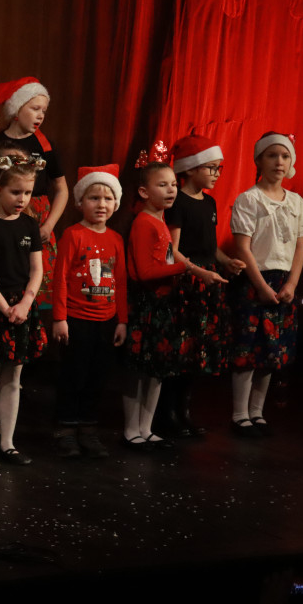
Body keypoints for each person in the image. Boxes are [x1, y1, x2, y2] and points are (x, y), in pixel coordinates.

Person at [158, 136, 244, 437]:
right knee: (179, 351)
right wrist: (197, 272)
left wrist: (226, 261)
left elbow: (210, 246)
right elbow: (173, 250)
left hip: (207, 280)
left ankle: (184, 412)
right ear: (191, 169)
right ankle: (166, 414)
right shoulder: (177, 202)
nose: (217, 174)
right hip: (187, 282)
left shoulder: (209, 202)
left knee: (197, 352)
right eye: (212, 168)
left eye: (219, 169)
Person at [228, 133, 303, 437]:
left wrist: (292, 284)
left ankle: (257, 412)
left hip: (283, 282)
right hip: (256, 280)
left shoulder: (297, 202)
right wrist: (260, 286)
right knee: (248, 351)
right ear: (259, 160)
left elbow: (299, 247)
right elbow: (244, 248)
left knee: (271, 352)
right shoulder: (249, 199)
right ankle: (239, 414)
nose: (279, 162)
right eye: (272, 155)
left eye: (285, 156)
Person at [0, 155, 47, 467]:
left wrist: (26, 303)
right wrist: (5, 307)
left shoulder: (30, 224)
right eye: (15, 192)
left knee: (14, 379)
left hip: (22, 308)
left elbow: (37, 270)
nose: (21, 199)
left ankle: (8, 442)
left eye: (27, 193)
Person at [51, 165, 127, 458]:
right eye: (94, 198)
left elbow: (120, 283)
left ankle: (89, 429)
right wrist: (60, 318)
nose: (101, 205)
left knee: (97, 377)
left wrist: (123, 320)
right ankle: (66, 430)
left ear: (115, 204)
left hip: (106, 321)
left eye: (107, 199)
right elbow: (59, 280)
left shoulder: (116, 239)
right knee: (74, 375)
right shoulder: (72, 234)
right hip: (77, 319)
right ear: (81, 202)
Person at [0, 77, 69, 310]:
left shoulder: (46, 146)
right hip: (5, 215)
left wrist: (49, 225)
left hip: (38, 217)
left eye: (44, 110)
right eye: (35, 108)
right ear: (17, 109)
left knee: (39, 281)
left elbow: (61, 189)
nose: (41, 115)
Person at [122, 162, 188, 451]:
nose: (171, 189)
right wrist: (182, 269)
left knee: (156, 370)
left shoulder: (160, 221)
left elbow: (168, 260)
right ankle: (131, 430)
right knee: (139, 371)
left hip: (162, 304)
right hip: (146, 305)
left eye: (173, 184)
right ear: (144, 191)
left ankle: (146, 428)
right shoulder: (143, 222)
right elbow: (146, 272)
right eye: (163, 184)